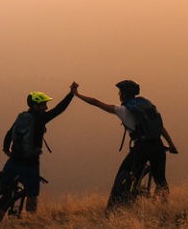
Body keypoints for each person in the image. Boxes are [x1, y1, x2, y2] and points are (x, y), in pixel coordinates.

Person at [74, 79, 178, 208]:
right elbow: (160, 127)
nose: (118, 95)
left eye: (119, 92)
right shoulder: (146, 105)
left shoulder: (123, 110)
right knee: (161, 181)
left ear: (123, 94)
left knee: (124, 172)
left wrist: (77, 94)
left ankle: (112, 208)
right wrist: (171, 145)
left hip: (142, 147)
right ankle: (164, 209)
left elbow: (96, 102)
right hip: (158, 145)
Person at [0, 83, 76, 213]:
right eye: (43, 104)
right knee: (32, 194)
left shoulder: (22, 117)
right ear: (36, 105)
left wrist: (6, 149)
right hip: (30, 163)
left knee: (0, 185)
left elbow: (9, 133)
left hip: (14, 160)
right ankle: (31, 222)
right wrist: (71, 94)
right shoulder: (41, 118)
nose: (46, 107)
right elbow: (59, 109)